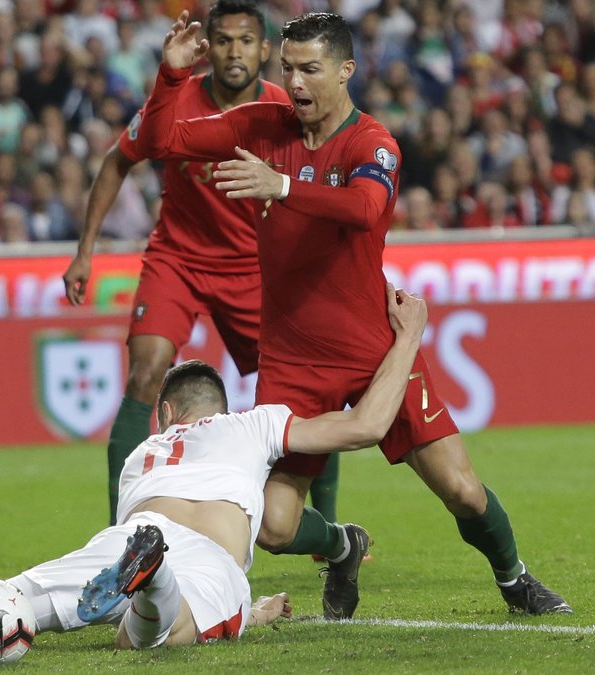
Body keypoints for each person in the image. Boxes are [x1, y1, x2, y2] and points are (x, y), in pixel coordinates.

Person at [134, 11, 570, 617]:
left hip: (373, 349)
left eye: (311, 69)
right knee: (275, 525)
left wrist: (282, 187)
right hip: (291, 358)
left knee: (462, 491)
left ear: (346, 71)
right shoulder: (262, 125)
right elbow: (160, 142)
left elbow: (366, 209)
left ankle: (514, 577)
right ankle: (343, 547)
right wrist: (171, 77)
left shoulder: (373, 143)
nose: (296, 83)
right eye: (288, 69)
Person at [0, 285, 427, 652]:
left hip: (125, 537)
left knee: (4, 609)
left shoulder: (140, 456)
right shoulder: (254, 424)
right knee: (152, 635)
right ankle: (155, 578)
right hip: (207, 554)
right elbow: (367, 425)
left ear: (166, 414)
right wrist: (408, 338)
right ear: (220, 408)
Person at [61, 0, 291, 524]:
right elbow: (118, 160)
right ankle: (122, 528)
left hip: (253, 269)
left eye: (246, 41)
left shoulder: (282, 110)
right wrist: (85, 250)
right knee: (146, 375)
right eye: (224, 41)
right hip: (178, 259)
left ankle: (327, 526)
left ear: (264, 50)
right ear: (209, 47)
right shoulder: (177, 99)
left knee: (293, 391)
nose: (235, 52)